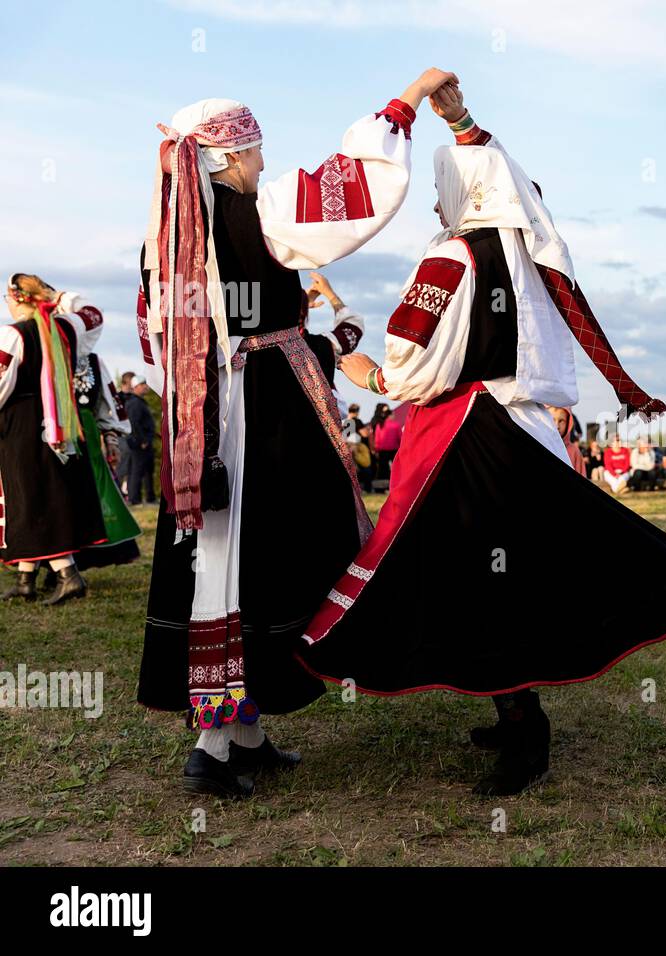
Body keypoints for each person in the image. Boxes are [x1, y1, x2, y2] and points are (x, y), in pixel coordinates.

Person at [296, 87, 666, 796]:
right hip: (526, 430)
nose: (437, 204)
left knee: (478, 583)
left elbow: (410, 349)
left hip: (467, 436)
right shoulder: (533, 250)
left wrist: (369, 370)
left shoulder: (453, 256)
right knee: (515, 580)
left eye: (442, 191)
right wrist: (463, 121)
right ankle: (511, 711)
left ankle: (525, 729)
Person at [134, 67, 459, 799]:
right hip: (262, 414)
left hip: (211, 414)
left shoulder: (168, 236)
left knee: (237, 563)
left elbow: (178, 331)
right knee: (246, 562)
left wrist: (304, 340)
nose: (262, 166)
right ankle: (211, 749)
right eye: (254, 154)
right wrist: (403, 102)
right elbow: (356, 188)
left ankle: (243, 735)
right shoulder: (261, 212)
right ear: (228, 156)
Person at [0, 276, 107, 604]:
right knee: (43, 493)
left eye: (7, 295)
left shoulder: (12, 334)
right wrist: (61, 298)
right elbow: (94, 315)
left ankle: (68, 575)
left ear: (19, 299)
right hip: (58, 417)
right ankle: (26, 578)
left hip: (21, 423)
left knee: (29, 498)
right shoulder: (67, 327)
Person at [62, 348, 142, 575]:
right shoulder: (39, 349)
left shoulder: (92, 361)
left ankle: (81, 561)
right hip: (51, 432)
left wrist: (111, 440)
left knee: (91, 493)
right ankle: (55, 565)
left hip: (86, 437)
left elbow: (106, 406)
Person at [122, 379, 156, 505]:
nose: (146, 387)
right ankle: (134, 499)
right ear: (136, 387)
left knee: (147, 471)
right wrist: (142, 440)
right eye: (143, 384)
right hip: (139, 443)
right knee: (136, 470)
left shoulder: (139, 402)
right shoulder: (135, 403)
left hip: (144, 442)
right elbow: (133, 423)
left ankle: (150, 497)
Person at [549, 406, 585, 476]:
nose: (557, 426)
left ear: (568, 423)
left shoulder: (575, 452)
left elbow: (580, 432)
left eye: (561, 421)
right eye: (552, 420)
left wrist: (576, 439)